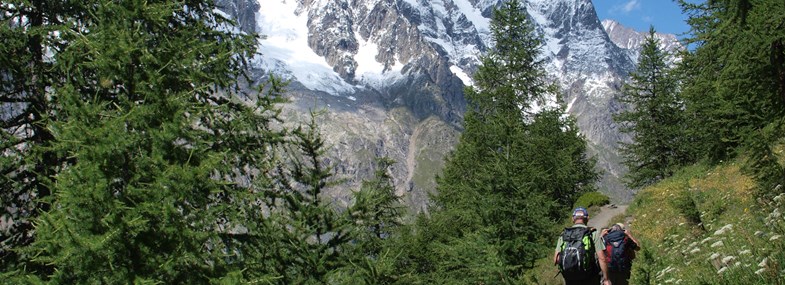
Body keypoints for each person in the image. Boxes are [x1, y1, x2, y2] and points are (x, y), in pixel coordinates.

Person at [554, 207, 612, 285]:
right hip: (590, 277)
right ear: (587, 218)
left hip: (570, 279)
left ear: (572, 219)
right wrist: (606, 279)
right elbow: (602, 258)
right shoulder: (592, 233)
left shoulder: (564, 234)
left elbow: (556, 259)